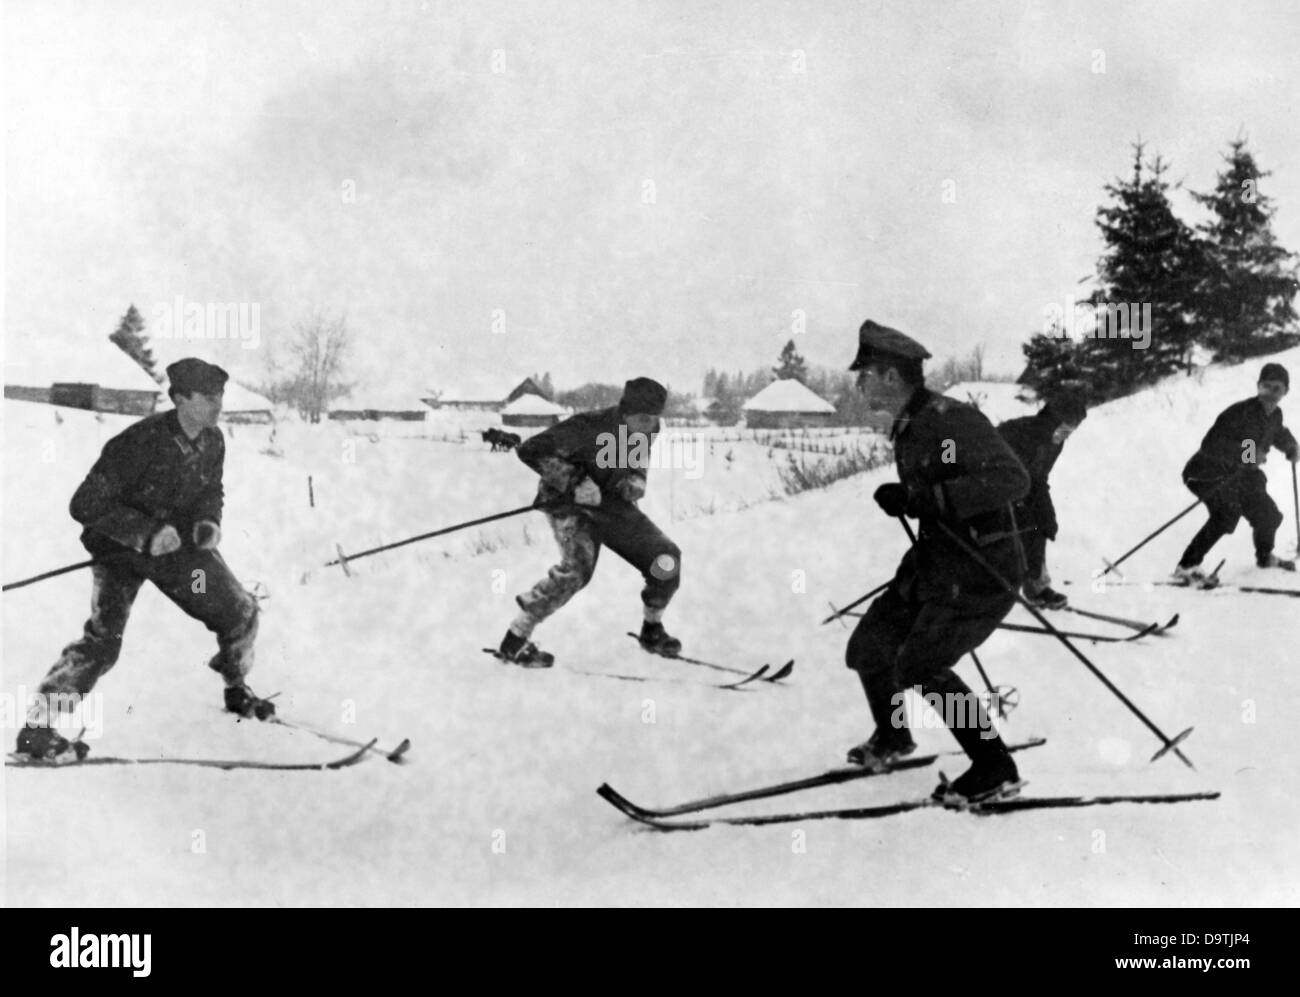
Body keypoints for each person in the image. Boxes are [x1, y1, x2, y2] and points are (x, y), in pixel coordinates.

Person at [15, 358, 269, 763]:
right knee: (103, 642)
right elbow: (85, 504)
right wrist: (145, 533)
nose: (218, 404)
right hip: (122, 555)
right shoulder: (138, 443)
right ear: (181, 398)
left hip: (181, 559)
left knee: (237, 610)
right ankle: (37, 732)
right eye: (208, 396)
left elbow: (210, 491)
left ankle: (237, 687)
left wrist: (208, 521)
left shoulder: (213, 441)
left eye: (220, 395)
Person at [844, 320, 1031, 804]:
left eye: (864, 375)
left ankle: (995, 768)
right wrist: (911, 498)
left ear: (890, 375)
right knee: (870, 648)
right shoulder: (913, 423)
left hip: (982, 568)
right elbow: (931, 489)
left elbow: (1012, 479)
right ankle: (894, 736)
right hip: (938, 563)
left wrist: (930, 498)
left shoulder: (952, 420)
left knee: (922, 664)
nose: (859, 384)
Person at [495, 377, 682, 668]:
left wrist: (635, 480)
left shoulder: (648, 428)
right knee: (576, 571)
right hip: (568, 505)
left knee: (666, 559)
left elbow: (636, 460)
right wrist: (576, 481)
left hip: (611, 505)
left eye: (654, 419)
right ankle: (515, 640)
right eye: (643, 419)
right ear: (625, 411)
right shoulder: (588, 426)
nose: (649, 426)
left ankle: (652, 629)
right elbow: (531, 449)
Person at [1174, 362, 1299, 584]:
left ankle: (1264, 557)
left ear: (1285, 392)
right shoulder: (1240, 412)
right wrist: (1250, 454)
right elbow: (1211, 443)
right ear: (1258, 387)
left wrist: (1290, 446)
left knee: (1268, 515)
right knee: (1226, 515)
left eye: (1276, 389)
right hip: (1207, 471)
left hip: (1240, 473)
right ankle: (1187, 566)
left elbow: (1277, 433)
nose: (1270, 394)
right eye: (1265, 387)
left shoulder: (1275, 415)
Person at [996, 389, 1089, 609]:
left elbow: (1039, 478)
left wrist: (1047, 512)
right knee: (1010, 531)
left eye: (1070, 432)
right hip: (992, 487)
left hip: (1023, 489)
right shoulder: (1017, 431)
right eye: (1064, 430)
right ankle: (992, 589)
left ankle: (1037, 587)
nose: (1065, 437)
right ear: (1052, 421)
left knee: (1040, 524)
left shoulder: (1054, 443)